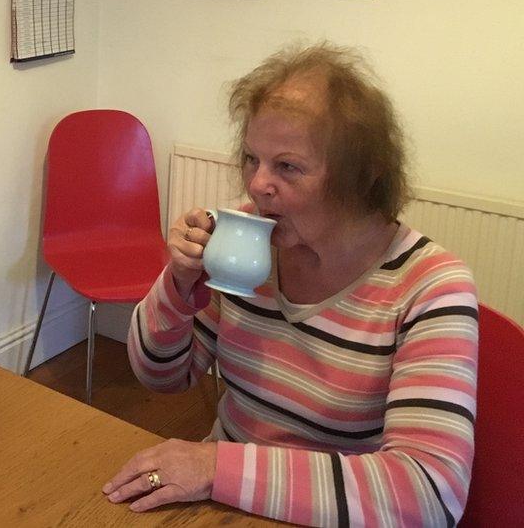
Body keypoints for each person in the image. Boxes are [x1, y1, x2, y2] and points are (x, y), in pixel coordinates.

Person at [103, 42, 478, 526]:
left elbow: (427, 493)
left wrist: (216, 465)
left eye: (288, 166)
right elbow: (163, 377)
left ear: (362, 177)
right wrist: (177, 285)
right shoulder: (244, 242)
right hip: (224, 503)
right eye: (251, 159)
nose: (258, 184)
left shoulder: (431, 286)